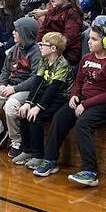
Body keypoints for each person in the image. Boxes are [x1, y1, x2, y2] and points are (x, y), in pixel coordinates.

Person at [32, 25, 106, 186]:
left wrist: (85, 104)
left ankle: (90, 171)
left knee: (83, 124)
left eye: (94, 39)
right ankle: (50, 160)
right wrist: (74, 95)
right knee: (59, 117)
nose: (90, 42)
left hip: (105, 105)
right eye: (90, 38)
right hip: (84, 100)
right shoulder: (86, 59)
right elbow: (78, 82)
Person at [0, 16, 41, 156]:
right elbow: (5, 70)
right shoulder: (14, 49)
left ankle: (16, 141)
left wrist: (14, 89)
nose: (13, 33)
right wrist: (1, 85)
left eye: (16, 30)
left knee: (11, 105)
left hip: (25, 90)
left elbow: (35, 79)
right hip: (9, 86)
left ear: (25, 32)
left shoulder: (36, 53)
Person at [14, 32, 75, 171]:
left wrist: (39, 107)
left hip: (61, 96)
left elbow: (54, 88)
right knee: (24, 112)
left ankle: (38, 155)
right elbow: (38, 82)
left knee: (36, 117)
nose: (39, 46)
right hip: (47, 93)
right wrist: (28, 103)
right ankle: (27, 150)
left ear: (53, 48)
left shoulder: (63, 64)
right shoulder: (44, 60)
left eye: (43, 44)